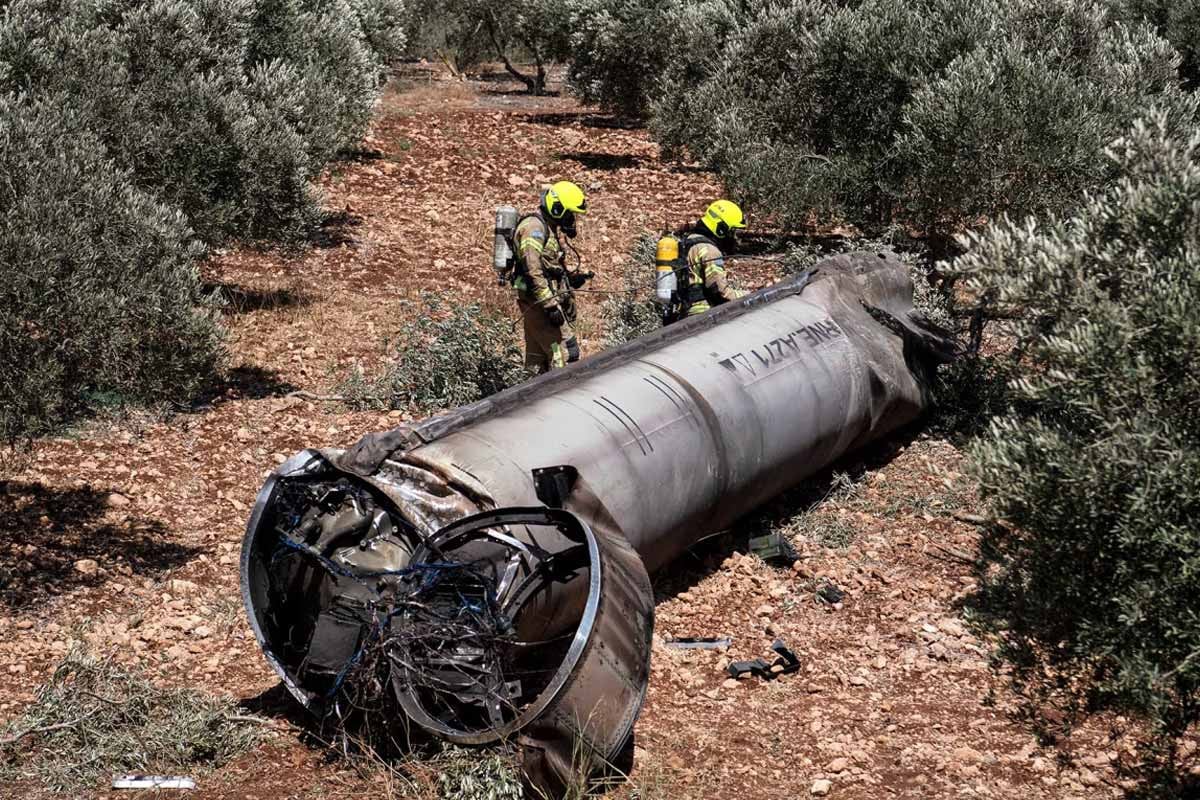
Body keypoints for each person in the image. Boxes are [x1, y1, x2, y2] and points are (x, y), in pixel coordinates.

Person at [512, 180, 588, 373]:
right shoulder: (534, 229)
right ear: (557, 208)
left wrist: (570, 279)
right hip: (539, 302)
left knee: (537, 361)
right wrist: (550, 305)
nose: (571, 219)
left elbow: (548, 266)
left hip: (541, 301)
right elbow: (532, 269)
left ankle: (534, 389)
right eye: (569, 213)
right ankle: (563, 388)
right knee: (566, 353)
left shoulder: (549, 227)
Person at [674, 199, 747, 320]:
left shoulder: (688, 241)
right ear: (721, 229)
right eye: (732, 231)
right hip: (703, 316)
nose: (734, 238)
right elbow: (721, 292)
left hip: (684, 314)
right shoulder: (709, 250)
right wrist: (750, 295)